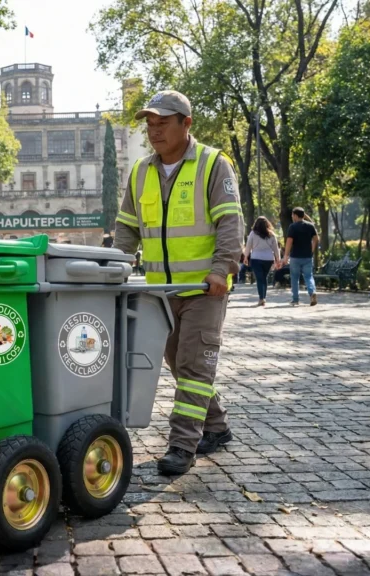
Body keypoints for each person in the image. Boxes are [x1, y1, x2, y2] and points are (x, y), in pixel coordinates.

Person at [114, 90, 243, 475]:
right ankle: (216, 426)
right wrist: (114, 267)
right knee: (180, 364)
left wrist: (222, 269)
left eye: (163, 123)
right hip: (161, 292)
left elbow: (230, 221)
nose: (154, 131)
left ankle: (182, 445)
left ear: (186, 124)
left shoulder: (213, 163)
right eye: (150, 125)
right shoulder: (141, 172)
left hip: (205, 290)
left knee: (193, 365)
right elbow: (127, 228)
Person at [283, 207, 318, 306]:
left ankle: (295, 299)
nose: (292, 217)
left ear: (295, 215)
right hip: (307, 256)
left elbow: (289, 241)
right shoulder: (310, 226)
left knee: (294, 278)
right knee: (309, 276)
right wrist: (312, 250)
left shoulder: (292, 227)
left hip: (295, 257)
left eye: (292, 215)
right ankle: (312, 292)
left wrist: (286, 255)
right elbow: (316, 238)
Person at [245, 217, 282, 306]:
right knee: (264, 278)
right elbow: (276, 249)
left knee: (259, 279)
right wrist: (278, 260)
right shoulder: (271, 234)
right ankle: (263, 297)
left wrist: (246, 256)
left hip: (256, 258)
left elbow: (248, 246)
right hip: (268, 259)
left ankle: (261, 298)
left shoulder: (253, 233)